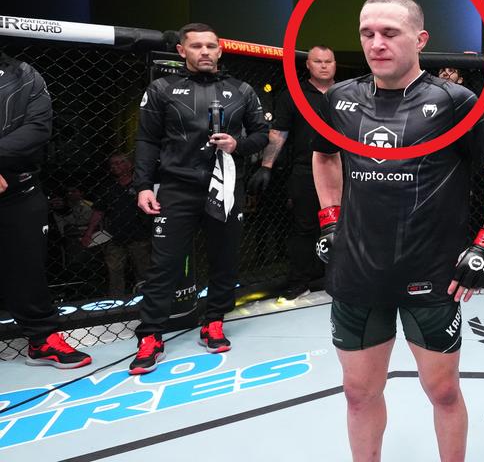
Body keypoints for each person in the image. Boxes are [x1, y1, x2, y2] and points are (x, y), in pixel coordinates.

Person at [312, 0, 484, 462]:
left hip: (431, 271)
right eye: (367, 34)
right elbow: (323, 158)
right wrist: (330, 219)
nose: (377, 43)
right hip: (358, 272)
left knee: (442, 392)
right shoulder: (342, 98)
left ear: (420, 38)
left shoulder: (454, 101)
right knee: (358, 393)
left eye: (390, 33)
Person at [130, 22, 270, 373]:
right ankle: (150, 335)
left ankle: (214, 321)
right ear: (182, 51)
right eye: (196, 46)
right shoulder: (161, 88)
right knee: (164, 263)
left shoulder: (241, 90)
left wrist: (239, 145)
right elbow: (146, 140)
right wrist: (143, 185)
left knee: (224, 258)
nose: (205, 52)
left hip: (224, 184)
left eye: (210, 46)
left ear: (220, 50)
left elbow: (261, 134)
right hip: (177, 186)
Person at [0, 52, 92, 369]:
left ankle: (42, 340)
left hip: (19, 189)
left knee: (28, 268)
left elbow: (39, 128)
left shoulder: (23, 74)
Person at [248, 44, 336, 299]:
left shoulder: (347, 93)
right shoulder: (293, 95)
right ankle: (300, 281)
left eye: (328, 61)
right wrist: (266, 166)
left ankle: (341, 278)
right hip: (306, 169)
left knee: (346, 226)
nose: (323, 65)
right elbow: (279, 133)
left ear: (334, 64)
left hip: (344, 170)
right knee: (303, 228)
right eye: (317, 61)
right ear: (308, 65)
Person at [83, 153, 151, 298]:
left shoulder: (141, 184)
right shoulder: (108, 187)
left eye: (120, 162)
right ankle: (116, 302)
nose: (116, 166)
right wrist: (89, 232)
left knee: (143, 271)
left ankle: (146, 298)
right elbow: (98, 210)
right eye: (113, 164)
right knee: (114, 272)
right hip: (114, 236)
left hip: (140, 234)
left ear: (130, 165)